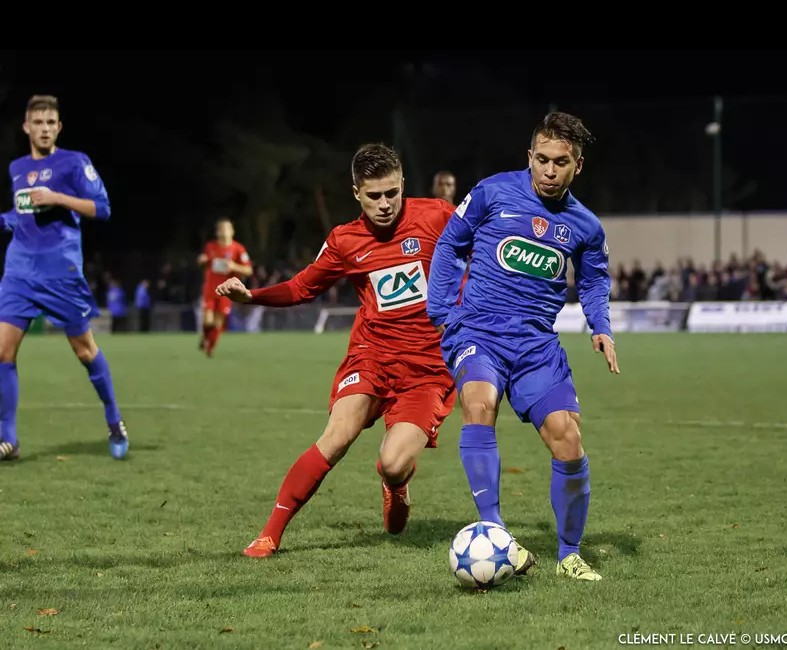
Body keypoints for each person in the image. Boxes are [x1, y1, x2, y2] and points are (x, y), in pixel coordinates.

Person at [217, 144, 522, 566]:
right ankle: (270, 534)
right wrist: (252, 296)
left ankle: (395, 485)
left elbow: (489, 251)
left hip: (428, 368)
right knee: (336, 436)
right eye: (374, 196)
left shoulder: (437, 216)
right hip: (371, 355)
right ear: (356, 193)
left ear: (403, 185)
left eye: (392, 193)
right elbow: (302, 287)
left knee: (392, 463)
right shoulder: (345, 240)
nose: (384, 204)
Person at [426, 111, 620, 582]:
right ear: (529, 156)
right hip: (479, 331)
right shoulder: (491, 192)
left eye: (561, 162)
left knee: (567, 439)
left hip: (536, 345)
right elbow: (450, 244)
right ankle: (495, 532)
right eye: (542, 160)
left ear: (578, 166)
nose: (549, 171)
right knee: (478, 402)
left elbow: (594, 280)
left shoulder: (586, 225)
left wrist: (600, 325)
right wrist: (441, 310)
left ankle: (569, 555)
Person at [0, 95, 128, 461]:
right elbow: (22, 213)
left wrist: (58, 197)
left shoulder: (74, 163)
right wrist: (6, 219)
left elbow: (102, 209)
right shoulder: (17, 167)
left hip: (61, 273)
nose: (44, 129)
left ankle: (114, 421)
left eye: (50, 123)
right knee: (3, 351)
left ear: (58, 127)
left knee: (84, 351)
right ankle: (8, 438)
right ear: (26, 127)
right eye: (37, 123)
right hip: (19, 272)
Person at [196, 218, 252, 356]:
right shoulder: (210, 247)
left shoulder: (238, 249)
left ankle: (210, 348)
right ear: (217, 232)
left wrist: (234, 266)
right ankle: (206, 337)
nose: (224, 231)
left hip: (227, 290)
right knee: (207, 320)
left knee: (218, 321)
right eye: (221, 229)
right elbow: (203, 262)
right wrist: (201, 261)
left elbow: (248, 270)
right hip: (210, 289)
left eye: (226, 228)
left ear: (232, 231)